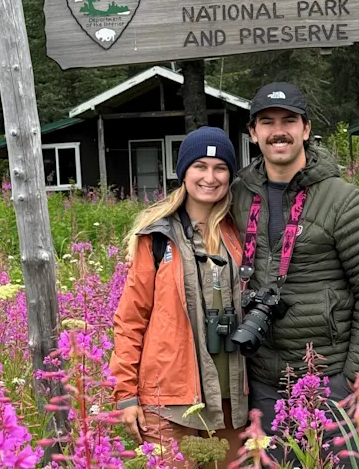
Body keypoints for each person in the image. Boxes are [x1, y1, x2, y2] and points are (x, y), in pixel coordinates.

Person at [230, 82, 359, 459]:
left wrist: (354, 378)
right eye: (267, 122)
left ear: (306, 129)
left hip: (330, 379)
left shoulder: (342, 199)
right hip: (262, 381)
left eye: (289, 120)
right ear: (253, 133)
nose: (279, 131)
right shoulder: (237, 195)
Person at [110, 127, 247, 468]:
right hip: (169, 399)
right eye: (200, 166)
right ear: (183, 171)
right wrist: (125, 393)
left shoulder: (239, 232)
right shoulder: (157, 236)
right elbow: (130, 319)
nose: (210, 177)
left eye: (220, 168)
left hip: (230, 398)